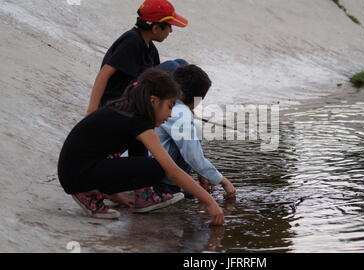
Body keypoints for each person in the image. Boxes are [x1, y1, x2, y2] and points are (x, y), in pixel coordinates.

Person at [57, 68, 224, 225]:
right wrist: (209, 201)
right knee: (158, 167)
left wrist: (115, 196)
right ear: (153, 101)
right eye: (170, 106)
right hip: (76, 176)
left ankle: (144, 197)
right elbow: (172, 170)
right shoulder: (136, 122)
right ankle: (87, 193)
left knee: (141, 154)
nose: (171, 114)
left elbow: (132, 157)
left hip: (76, 170)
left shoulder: (129, 111)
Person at [86, 0, 188, 116]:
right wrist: (92, 110)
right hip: (115, 102)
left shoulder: (150, 48)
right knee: (172, 67)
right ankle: (179, 111)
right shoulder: (132, 41)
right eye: (169, 26)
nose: (171, 30)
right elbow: (104, 73)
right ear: (155, 29)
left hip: (134, 94)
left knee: (183, 65)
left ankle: (187, 108)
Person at [153, 65, 236, 199]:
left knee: (193, 133)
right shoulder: (181, 113)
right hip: (151, 171)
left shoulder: (163, 100)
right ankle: (166, 188)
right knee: (194, 133)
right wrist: (223, 181)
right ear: (198, 100)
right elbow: (192, 155)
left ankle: (172, 186)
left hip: (139, 162)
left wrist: (202, 172)